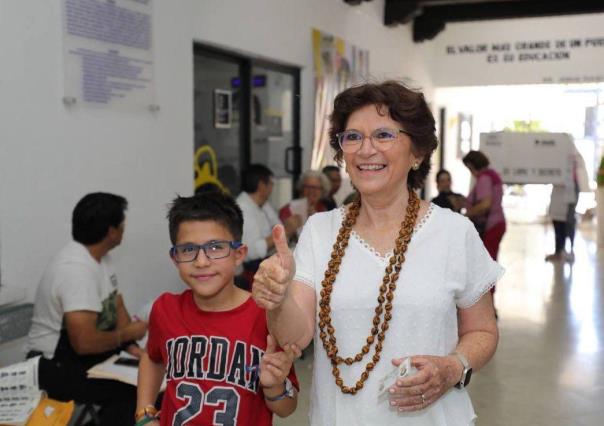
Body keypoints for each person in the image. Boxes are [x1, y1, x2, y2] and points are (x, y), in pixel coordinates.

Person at [252, 81, 503, 425]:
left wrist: (452, 366)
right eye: (352, 137)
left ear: (416, 153)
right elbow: (294, 338)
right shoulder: (319, 231)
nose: (365, 150)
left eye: (383, 135)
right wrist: (278, 299)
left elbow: (483, 331)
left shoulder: (453, 232)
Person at [136, 192, 299, 426]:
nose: (201, 261)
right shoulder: (165, 309)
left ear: (239, 254)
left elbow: (287, 408)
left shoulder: (266, 316)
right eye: (188, 249)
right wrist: (144, 414)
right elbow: (152, 358)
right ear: (175, 258)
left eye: (215, 248)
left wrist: (274, 385)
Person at [26, 192, 147, 426]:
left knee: (151, 377)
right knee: (132, 393)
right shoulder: (75, 271)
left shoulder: (102, 259)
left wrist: (131, 347)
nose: (125, 228)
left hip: (86, 357)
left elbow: (118, 308)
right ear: (111, 232)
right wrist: (128, 334)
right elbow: (84, 343)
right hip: (53, 365)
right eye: (122, 224)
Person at [236, 164, 299, 286]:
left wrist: (286, 229)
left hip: (269, 260)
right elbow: (252, 252)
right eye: (271, 183)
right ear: (261, 186)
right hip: (254, 271)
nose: (272, 188)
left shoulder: (263, 204)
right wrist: (286, 230)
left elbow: (278, 225)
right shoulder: (242, 208)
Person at [463, 150, 506, 261]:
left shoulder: (484, 178)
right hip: (497, 222)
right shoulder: (491, 174)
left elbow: (485, 204)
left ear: (471, 165)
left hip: (490, 225)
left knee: (486, 263)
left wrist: (467, 214)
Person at [279, 169, 330, 237]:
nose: (311, 191)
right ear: (302, 189)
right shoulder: (288, 209)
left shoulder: (323, 209)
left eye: (315, 188)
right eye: (307, 187)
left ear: (322, 191)